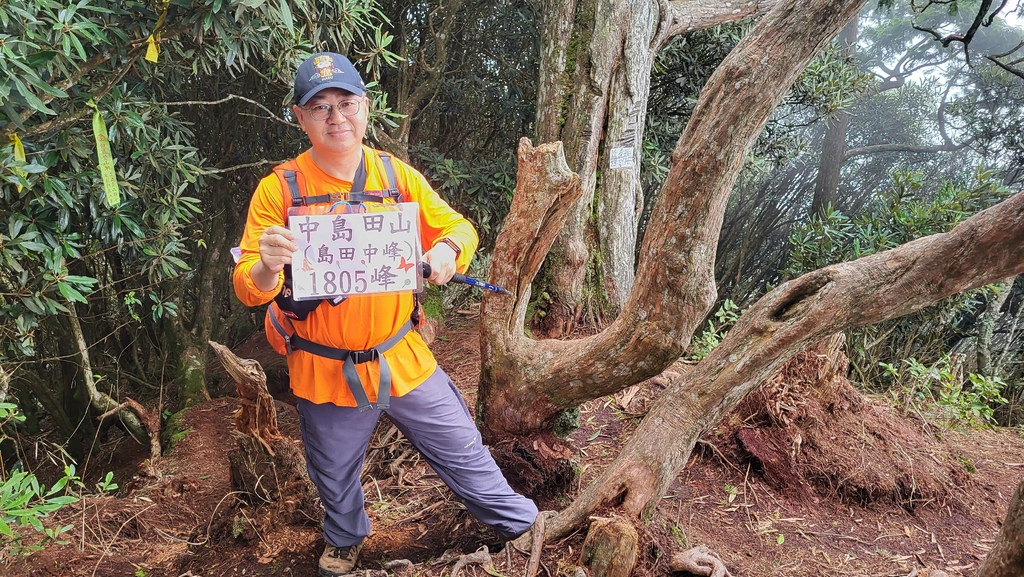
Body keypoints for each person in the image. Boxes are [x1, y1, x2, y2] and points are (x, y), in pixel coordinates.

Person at [232, 52, 538, 576]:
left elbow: (459, 228)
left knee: (461, 446)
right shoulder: (280, 189)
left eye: (346, 103)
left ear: (366, 108)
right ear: (300, 118)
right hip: (325, 364)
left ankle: (523, 526)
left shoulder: (395, 175)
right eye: (320, 107)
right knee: (333, 470)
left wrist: (446, 254)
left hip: (401, 351)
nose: (336, 117)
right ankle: (346, 538)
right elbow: (248, 289)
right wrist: (266, 266)